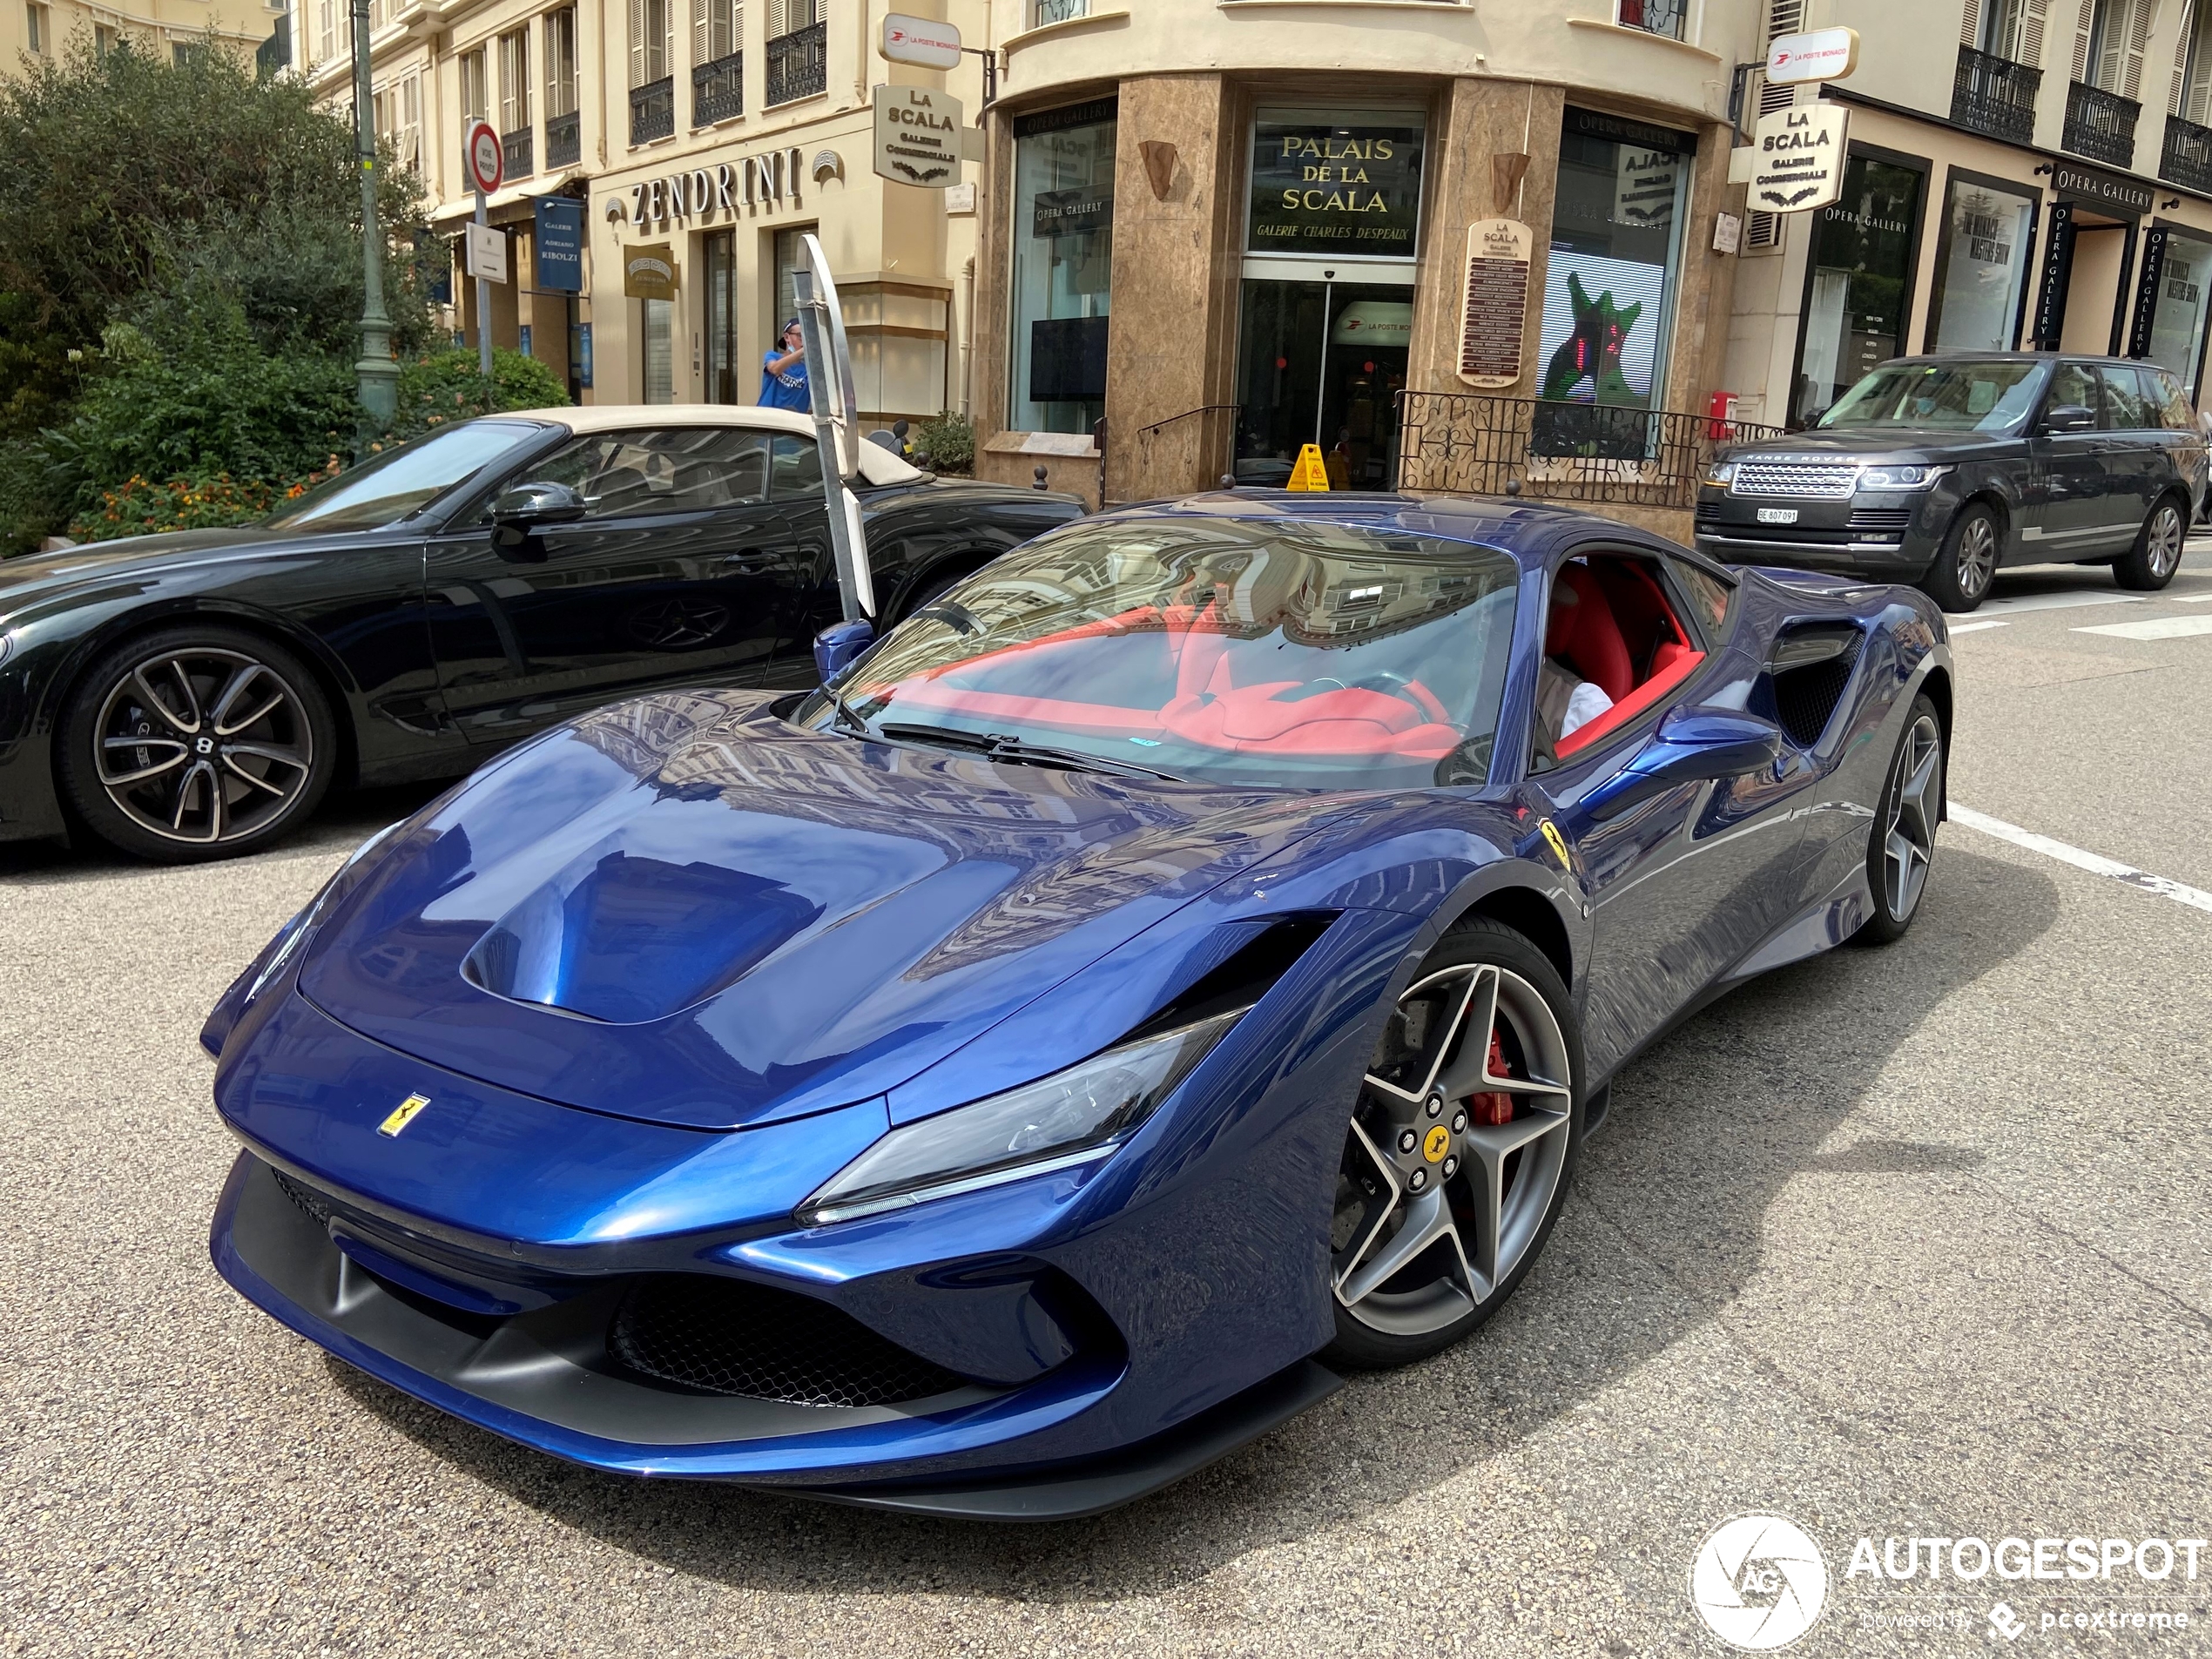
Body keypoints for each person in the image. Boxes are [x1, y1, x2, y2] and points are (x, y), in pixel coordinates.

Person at [759, 318, 809, 411]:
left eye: (808, 336)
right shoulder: (773, 356)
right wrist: (805, 349)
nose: (804, 340)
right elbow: (774, 369)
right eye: (800, 335)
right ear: (786, 337)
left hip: (791, 423)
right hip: (765, 419)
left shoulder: (809, 371)